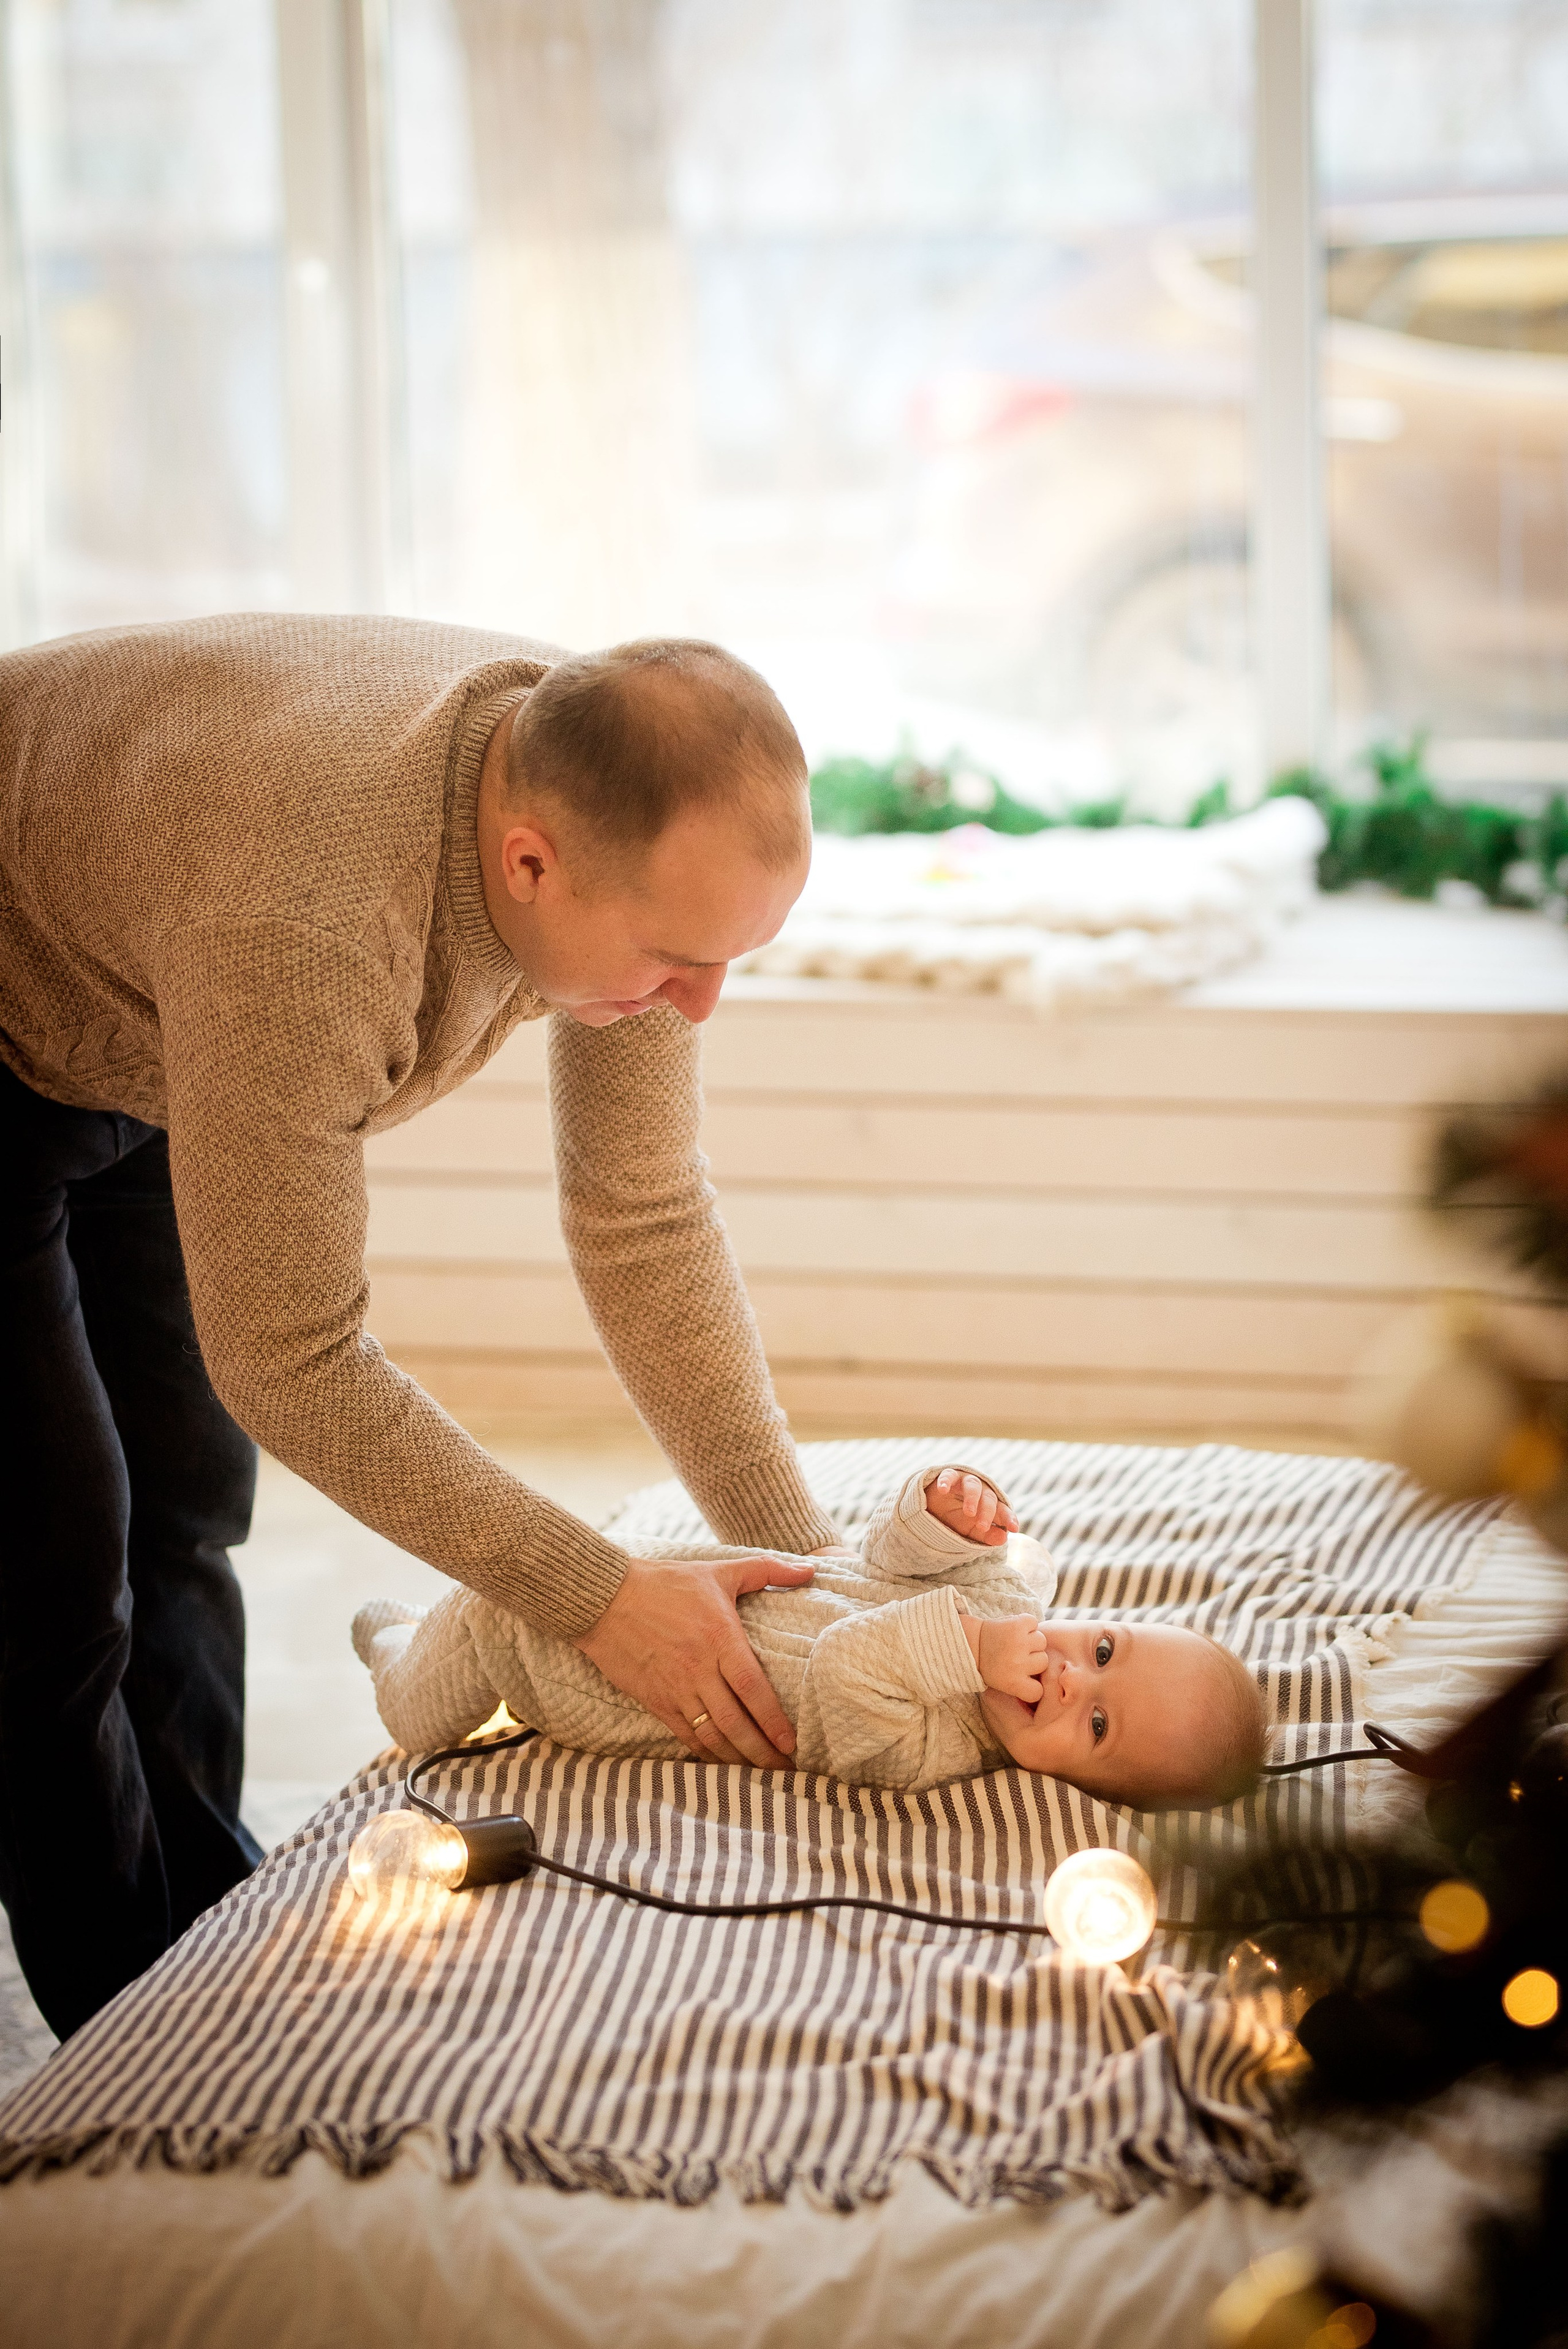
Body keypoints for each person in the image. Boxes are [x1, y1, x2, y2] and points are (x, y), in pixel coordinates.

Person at [0, 617, 842, 2038]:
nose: (699, 1005)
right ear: (528, 864)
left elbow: (639, 1222)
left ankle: (202, 1935)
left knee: (188, 1502)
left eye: (732, 959)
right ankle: (129, 2060)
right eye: (678, 960)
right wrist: (601, 1595)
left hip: (142, 986)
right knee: (53, 1572)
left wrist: (816, 1578)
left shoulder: (602, 796)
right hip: (47, 988)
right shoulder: (310, 925)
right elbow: (295, 1359)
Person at [355, 1465, 1267, 1809]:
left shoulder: (928, 1754)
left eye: (1097, 1728)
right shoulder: (1007, 1591)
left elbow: (845, 1665)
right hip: (661, 1576)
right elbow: (883, 1554)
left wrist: (969, 1651)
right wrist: (943, 1511)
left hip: (597, 1686)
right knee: (524, 1572)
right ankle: (413, 1632)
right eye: (1104, 1651)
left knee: (455, 1664)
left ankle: (394, 1656)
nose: (1072, 1680)